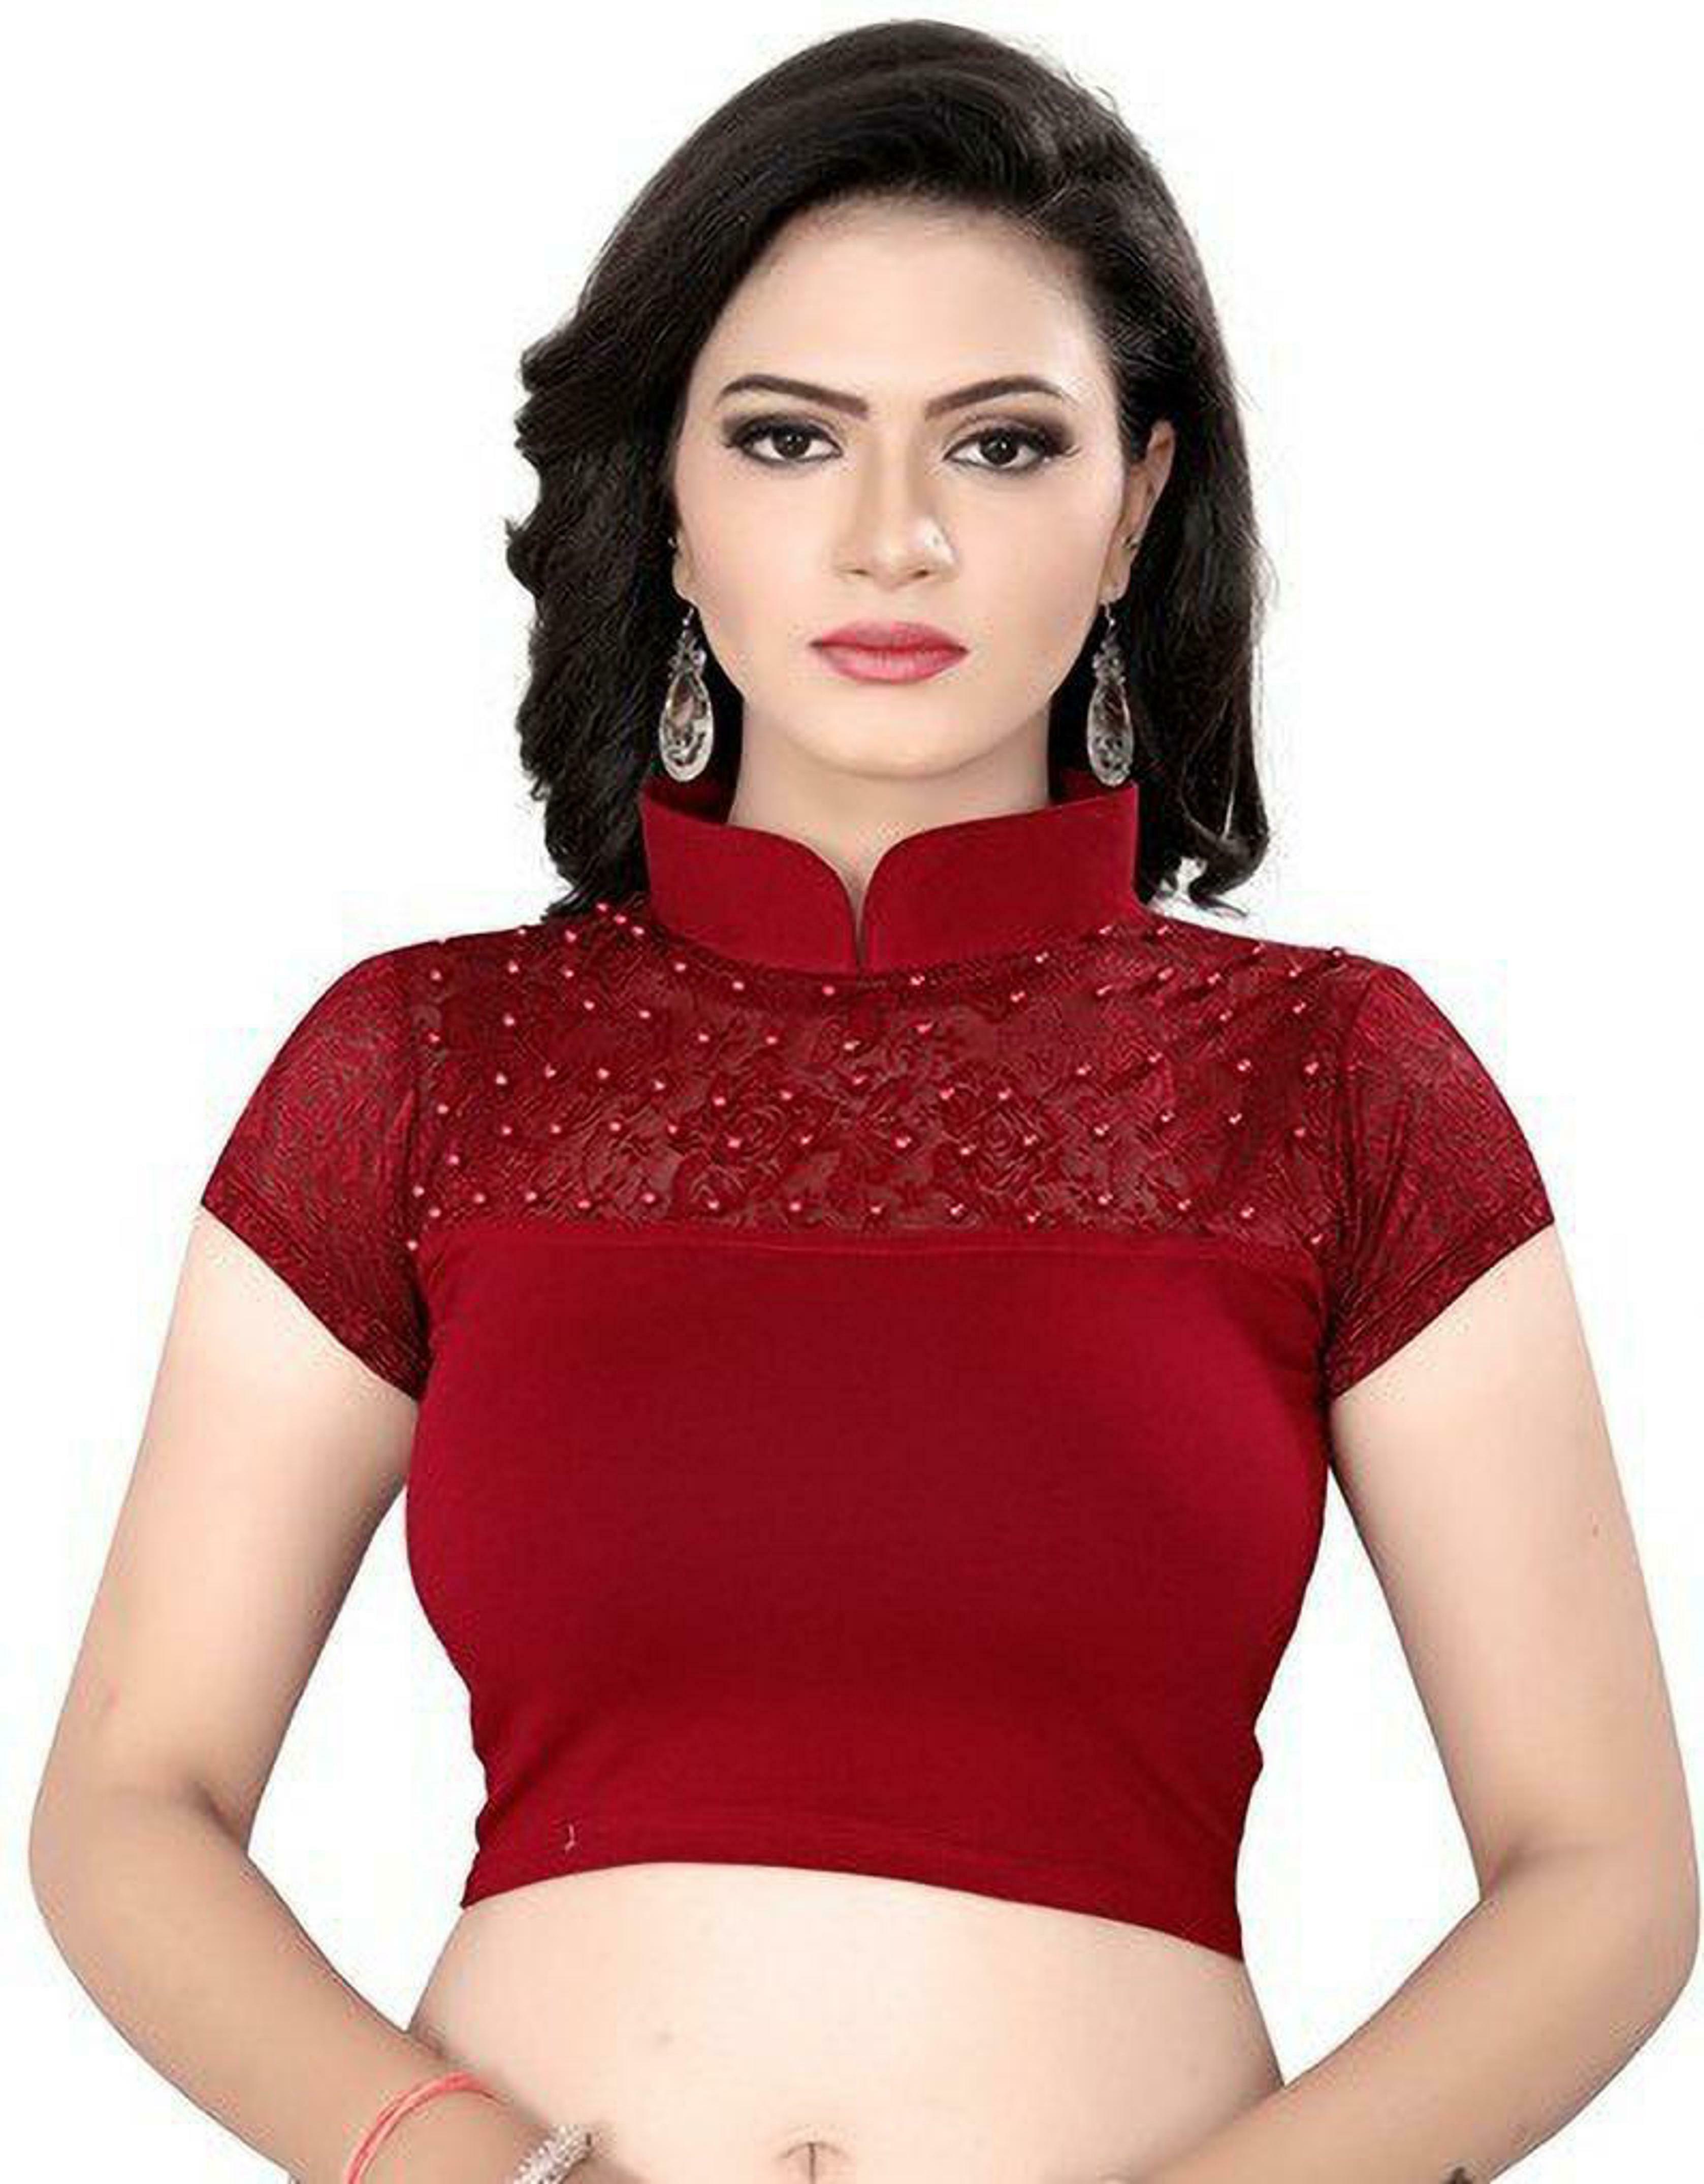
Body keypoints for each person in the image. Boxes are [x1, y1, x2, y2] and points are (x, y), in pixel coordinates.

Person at [27, 19, 1695, 2184]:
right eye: (789, 438)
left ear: (1136, 506)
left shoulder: (1331, 1083)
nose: (892, 536)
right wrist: (448, 2162)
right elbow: (129, 1798)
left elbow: (1598, 1868)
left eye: (998, 445)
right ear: (672, 503)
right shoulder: (428, 1064)